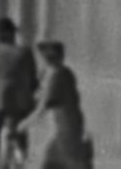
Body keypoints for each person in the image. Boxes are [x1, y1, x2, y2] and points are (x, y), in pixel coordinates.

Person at [0, 20, 37, 169]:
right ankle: (19, 159)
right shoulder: (25, 52)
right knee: (19, 133)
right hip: (18, 102)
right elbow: (33, 81)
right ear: (11, 34)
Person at [25, 41, 85, 169]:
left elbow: (42, 108)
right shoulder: (64, 72)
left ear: (47, 59)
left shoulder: (58, 76)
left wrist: (22, 126)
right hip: (68, 128)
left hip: (65, 130)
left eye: (41, 58)